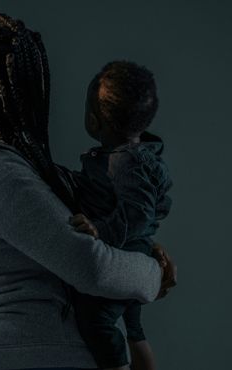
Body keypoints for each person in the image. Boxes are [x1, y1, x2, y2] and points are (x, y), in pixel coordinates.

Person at [0, 14, 177, 370]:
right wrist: (151, 274)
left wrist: (133, 239)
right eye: (29, 77)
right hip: (40, 354)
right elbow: (91, 267)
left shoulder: (6, 163)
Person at [67, 61, 172, 370]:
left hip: (125, 251)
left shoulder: (126, 164)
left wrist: (100, 230)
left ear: (93, 120)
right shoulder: (127, 158)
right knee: (134, 328)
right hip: (133, 248)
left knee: (95, 321)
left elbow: (138, 214)